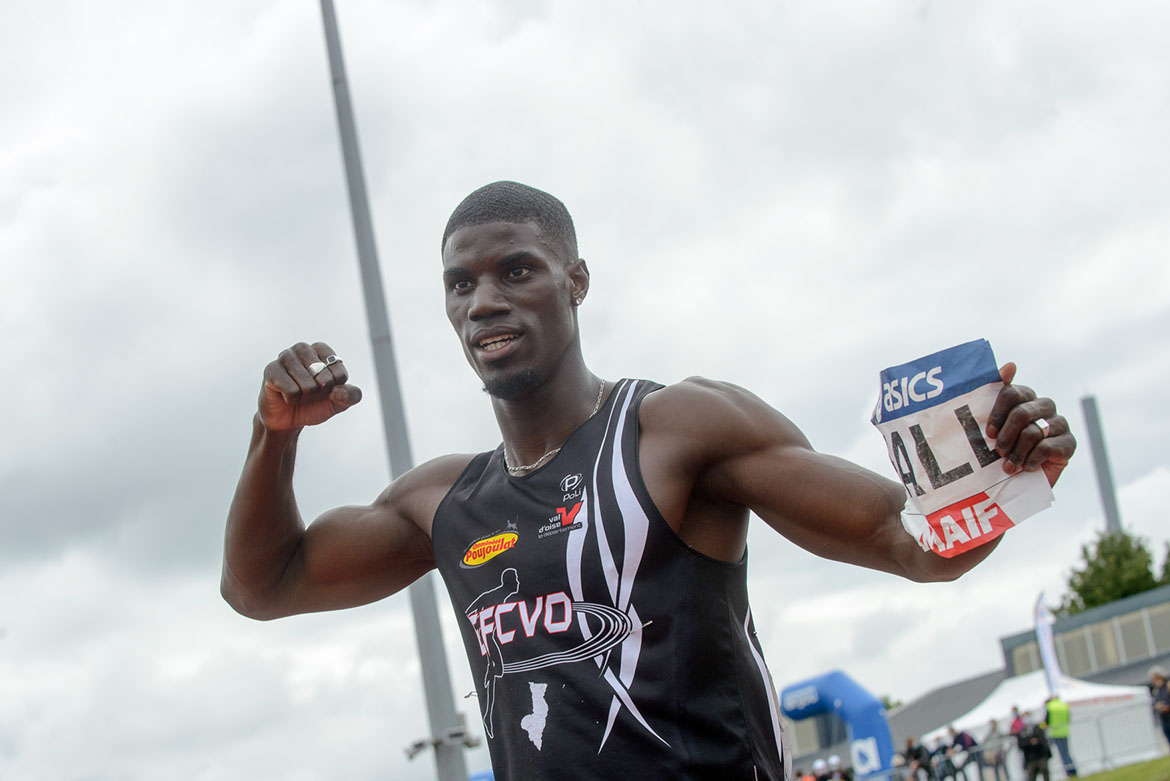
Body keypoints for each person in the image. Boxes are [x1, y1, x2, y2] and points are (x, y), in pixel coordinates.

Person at [221, 181, 1077, 780]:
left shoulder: (680, 430)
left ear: (576, 280)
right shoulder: (440, 500)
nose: (484, 300)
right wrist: (274, 435)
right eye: (461, 283)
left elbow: (912, 541)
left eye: (516, 269)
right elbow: (264, 585)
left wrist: (998, 470)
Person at [1044, 694, 1077, 777]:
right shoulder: (1063, 705)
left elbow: (1046, 721)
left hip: (1055, 733)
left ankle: (1069, 771)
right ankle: (1072, 769)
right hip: (1064, 731)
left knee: (1062, 753)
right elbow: (1068, 718)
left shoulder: (1050, 707)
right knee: (1067, 752)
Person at [1151, 666, 1170, 747]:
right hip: (1164, 719)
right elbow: (1154, 704)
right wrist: (1156, 706)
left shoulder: (1168, 686)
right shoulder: (1156, 690)